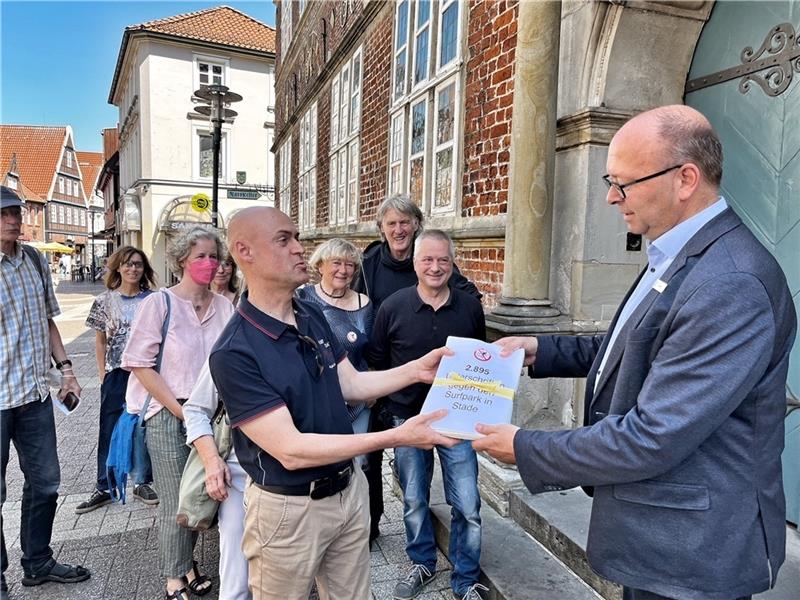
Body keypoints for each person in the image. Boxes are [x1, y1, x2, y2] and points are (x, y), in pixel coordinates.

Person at [474, 105, 798, 600]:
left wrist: (524, 447)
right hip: (661, 535)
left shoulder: (729, 281)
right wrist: (539, 349)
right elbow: (634, 347)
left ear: (685, 178)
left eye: (623, 183)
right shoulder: (681, 252)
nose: (610, 197)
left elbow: (653, 436)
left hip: (692, 554)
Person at [208, 206, 456, 600]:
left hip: (347, 492)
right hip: (289, 511)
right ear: (244, 251)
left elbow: (352, 384)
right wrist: (396, 436)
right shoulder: (234, 351)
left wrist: (417, 370)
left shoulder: (309, 314)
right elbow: (292, 450)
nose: (298, 249)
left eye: (296, 237)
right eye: (283, 239)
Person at [352, 194, 482, 545]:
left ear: (416, 226)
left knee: (466, 499)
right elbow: (362, 323)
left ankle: (464, 573)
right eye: (391, 223)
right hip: (397, 391)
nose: (398, 229)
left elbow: (477, 352)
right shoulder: (369, 267)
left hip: (450, 405)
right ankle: (373, 525)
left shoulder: (452, 285)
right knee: (392, 475)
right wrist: (375, 391)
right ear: (381, 228)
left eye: (405, 222)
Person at [368, 230, 487, 600]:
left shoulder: (469, 307)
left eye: (443, 260)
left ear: (453, 264)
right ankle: (422, 561)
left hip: (457, 420)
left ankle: (466, 579)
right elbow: (377, 363)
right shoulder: (392, 307)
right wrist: (389, 410)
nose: (436, 267)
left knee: (467, 503)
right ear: (415, 263)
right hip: (408, 419)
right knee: (415, 498)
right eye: (428, 260)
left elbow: (479, 361)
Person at [122, 227, 234, 600]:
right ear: (182, 260)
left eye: (214, 256)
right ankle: (174, 578)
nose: (209, 263)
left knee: (201, 495)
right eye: (200, 256)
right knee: (175, 499)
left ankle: (187, 564)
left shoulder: (224, 306)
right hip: (169, 415)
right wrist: (179, 410)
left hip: (213, 416)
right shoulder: (159, 304)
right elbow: (139, 364)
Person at [1, 186, 91, 591]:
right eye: (5, 214)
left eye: (16, 212)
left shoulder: (34, 260)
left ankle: (37, 561)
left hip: (34, 395)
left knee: (47, 483)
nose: (15, 219)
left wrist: (67, 369)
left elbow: (49, 321)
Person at [76, 246, 160, 514]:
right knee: (109, 428)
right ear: (118, 268)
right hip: (116, 373)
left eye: (137, 264)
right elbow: (100, 341)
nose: (133, 269)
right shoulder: (104, 301)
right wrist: (102, 373)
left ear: (144, 269)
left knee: (143, 426)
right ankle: (105, 484)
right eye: (127, 264)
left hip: (145, 372)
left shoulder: (154, 300)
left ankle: (142, 481)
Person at [296, 238, 374, 451]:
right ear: (320, 265)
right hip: (314, 401)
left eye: (350, 265)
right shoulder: (302, 298)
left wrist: (371, 393)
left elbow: (371, 352)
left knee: (356, 462)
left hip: (355, 403)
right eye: (336, 263)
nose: (343, 270)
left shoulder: (364, 305)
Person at [184, 362, 249, 600]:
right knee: (237, 578)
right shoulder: (230, 344)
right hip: (238, 477)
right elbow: (195, 410)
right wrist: (212, 460)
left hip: (293, 480)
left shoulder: (309, 334)